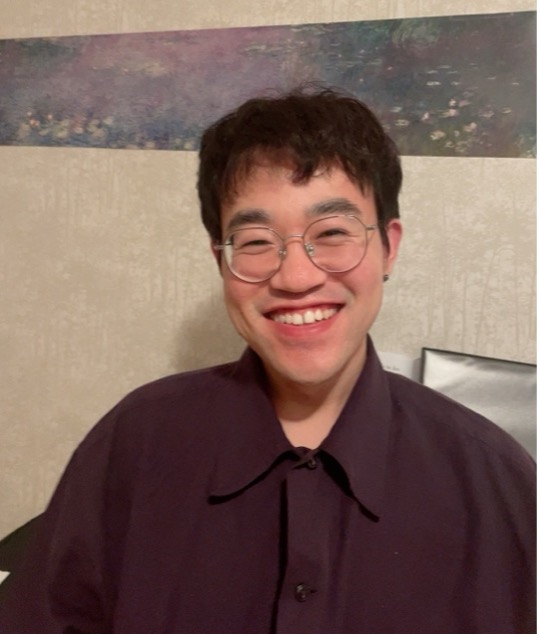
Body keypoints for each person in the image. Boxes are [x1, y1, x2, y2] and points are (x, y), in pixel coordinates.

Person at [0, 87, 535, 634]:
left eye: (332, 233)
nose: (297, 277)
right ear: (221, 261)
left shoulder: (497, 484)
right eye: (256, 242)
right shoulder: (134, 445)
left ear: (388, 247)